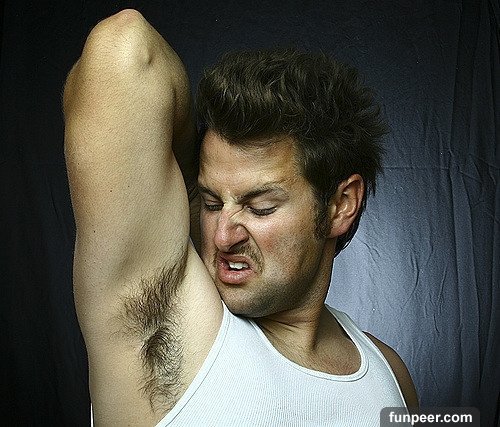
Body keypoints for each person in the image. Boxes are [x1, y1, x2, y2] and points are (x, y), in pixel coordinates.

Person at [63, 9, 418, 426]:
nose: (223, 236)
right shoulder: (166, 327)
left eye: (259, 206)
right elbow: (124, 46)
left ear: (341, 205)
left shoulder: (389, 376)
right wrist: (187, 188)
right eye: (212, 203)